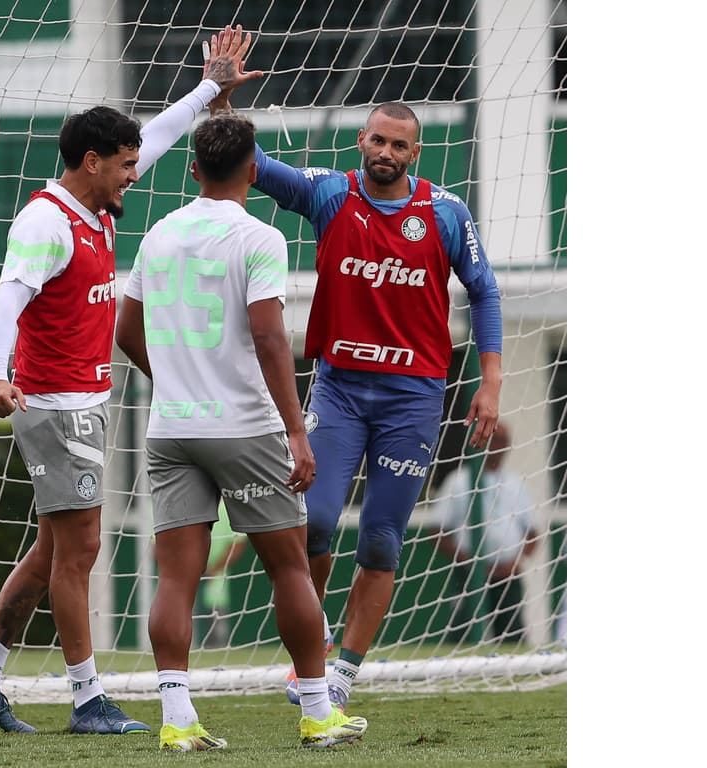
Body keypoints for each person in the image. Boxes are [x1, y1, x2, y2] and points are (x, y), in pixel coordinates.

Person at [0, 30, 261, 735]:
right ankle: (88, 699)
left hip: (85, 401)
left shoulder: (96, 200)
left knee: (55, 548)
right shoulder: (46, 222)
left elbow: (161, 134)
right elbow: (8, 300)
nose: (135, 173)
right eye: (123, 165)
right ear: (91, 164)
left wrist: (212, 88)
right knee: (83, 547)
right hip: (53, 406)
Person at [206, 25, 503, 711]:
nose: (387, 153)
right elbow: (249, 163)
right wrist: (219, 98)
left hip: (415, 399)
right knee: (310, 521)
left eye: (400, 145)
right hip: (338, 392)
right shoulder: (330, 194)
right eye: (378, 140)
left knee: (379, 538)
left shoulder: (446, 212)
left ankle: (343, 671)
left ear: (415, 153)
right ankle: (308, 661)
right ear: (361, 142)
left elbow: (485, 292)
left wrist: (489, 382)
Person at [115, 108, 368, 751]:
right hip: (246, 427)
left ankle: (176, 721)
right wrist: (298, 432)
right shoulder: (261, 237)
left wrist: (173, 381)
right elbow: (267, 335)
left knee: (176, 577)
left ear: (193, 168)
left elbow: (124, 332)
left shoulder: (157, 235)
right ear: (255, 172)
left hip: (172, 428)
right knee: (288, 567)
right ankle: (316, 712)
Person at [429, 421, 539, 644]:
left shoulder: (517, 483)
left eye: (503, 442)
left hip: (508, 574)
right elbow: (437, 531)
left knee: (513, 634)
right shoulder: (458, 481)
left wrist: (515, 563)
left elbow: (532, 533)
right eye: (493, 440)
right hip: (470, 573)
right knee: (462, 633)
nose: (498, 447)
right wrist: (470, 562)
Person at [195, 501, 249, 649]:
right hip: (187, 578)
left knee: (216, 632)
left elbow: (238, 544)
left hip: (216, 584)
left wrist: (214, 569)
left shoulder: (228, 508)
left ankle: (217, 649)